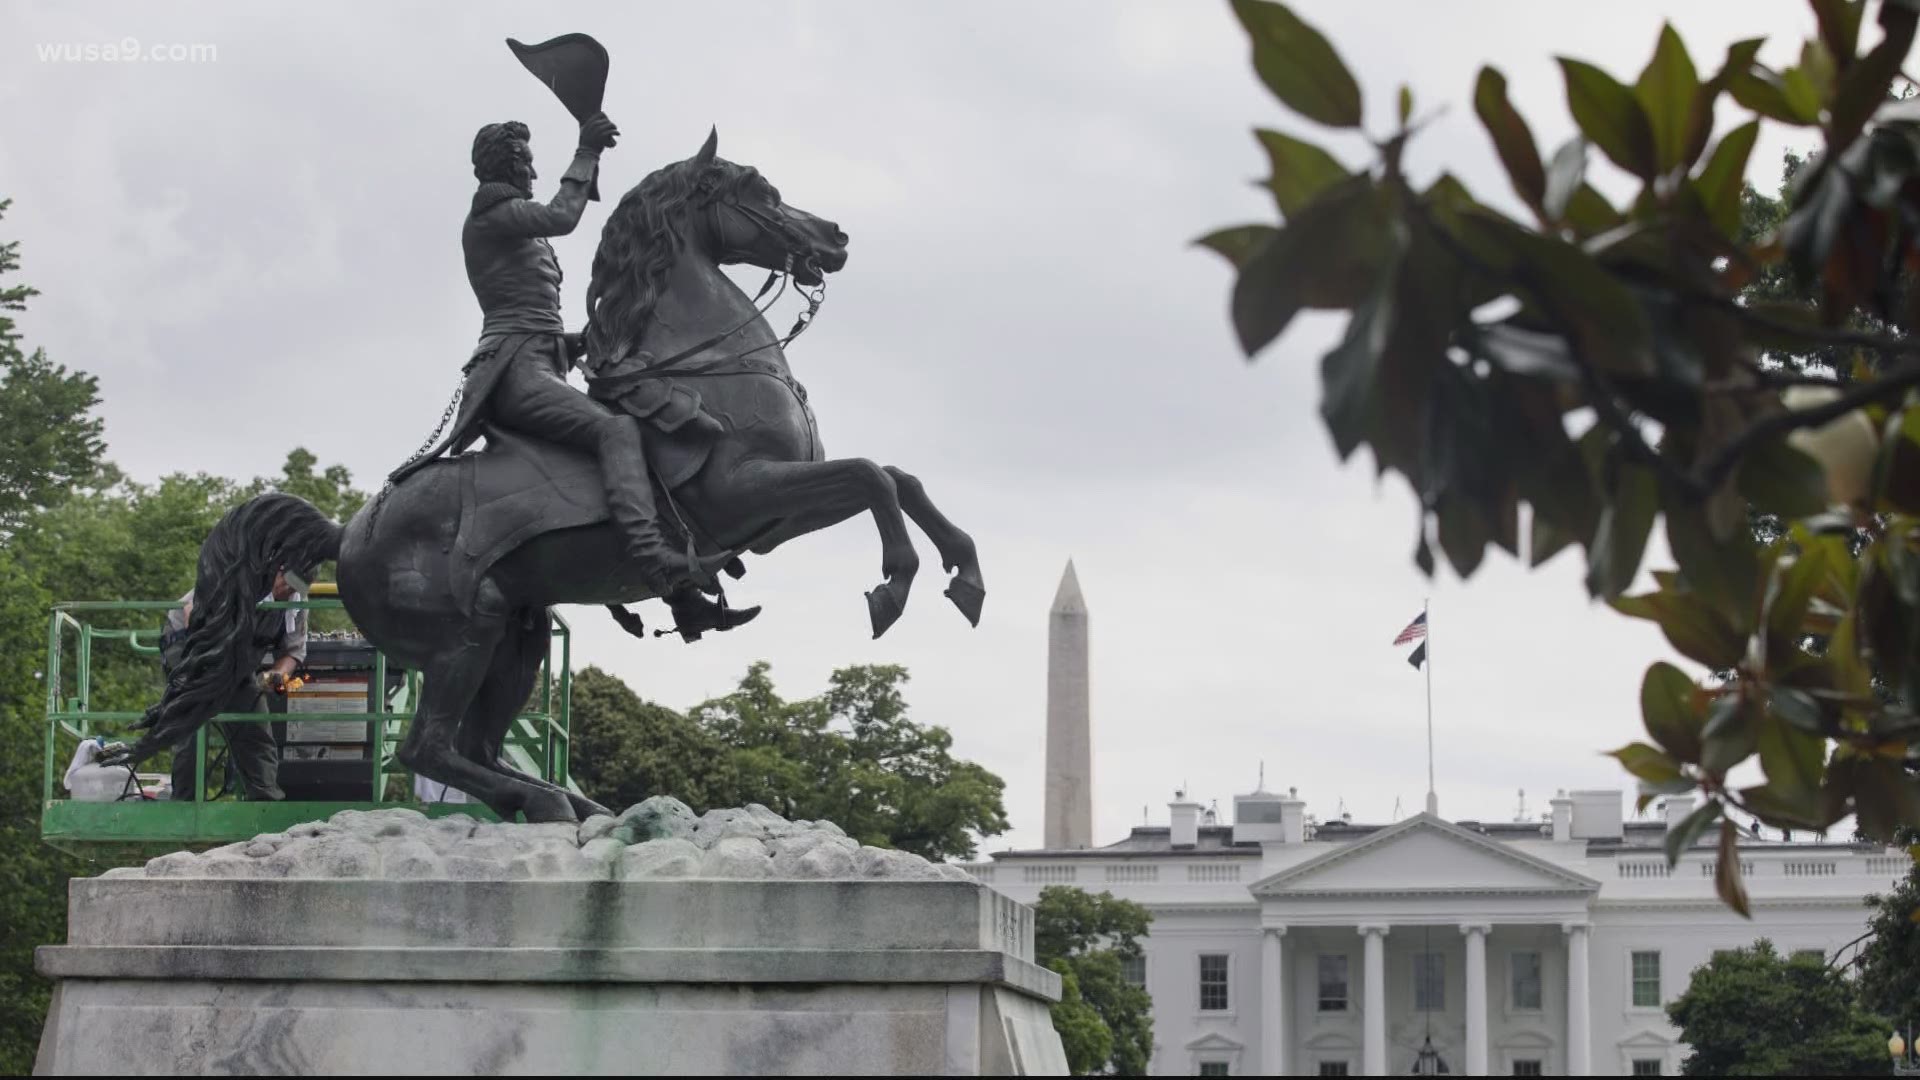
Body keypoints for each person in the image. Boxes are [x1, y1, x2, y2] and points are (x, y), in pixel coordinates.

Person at [386, 110, 753, 637]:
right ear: (507, 165)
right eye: (527, 162)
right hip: (515, 373)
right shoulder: (493, 214)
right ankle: (652, 557)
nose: (533, 173)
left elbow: (539, 315)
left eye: (534, 163)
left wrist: (594, 336)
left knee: (638, 423)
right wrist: (587, 151)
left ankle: (683, 597)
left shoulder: (513, 224)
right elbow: (563, 216)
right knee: (616, 429)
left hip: (544, 361)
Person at [160, 567, 307, 801]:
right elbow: (192, 613)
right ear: (276, 569)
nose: (285, 589)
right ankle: (185, 803)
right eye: (284, 581)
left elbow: (293, 652)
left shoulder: (298, 604)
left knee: (254, 720)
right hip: (191, 643)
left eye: (294, 587)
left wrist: (277, 674)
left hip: (237, 658)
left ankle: (264, 803)